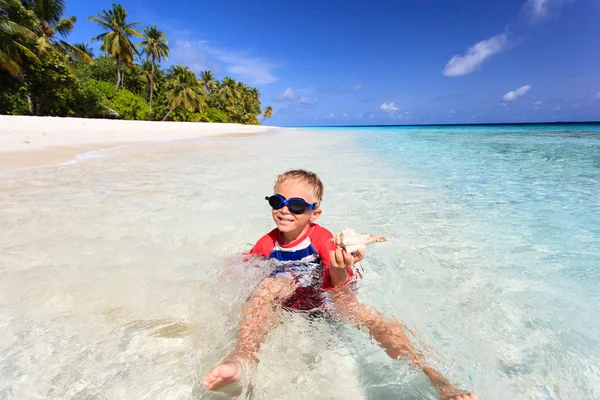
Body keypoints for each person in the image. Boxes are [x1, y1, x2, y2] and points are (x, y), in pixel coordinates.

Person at [203, 169, 478, 400]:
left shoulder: (321, 238)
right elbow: (248, 267)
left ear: (314, 213)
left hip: (327, 292)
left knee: (374, 321)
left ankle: (438, 379)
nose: (285, 209)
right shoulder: (267, 242)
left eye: (297, 205)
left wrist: (339, 265)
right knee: (266, 291)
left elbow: (339, 284)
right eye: (277, 201)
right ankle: (243, 359)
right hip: (288, 296)